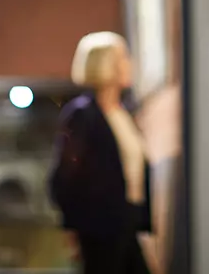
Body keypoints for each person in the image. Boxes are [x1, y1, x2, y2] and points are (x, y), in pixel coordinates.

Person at [48, 32, 151, 274]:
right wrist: (72, 226)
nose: (130, 64)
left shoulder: (124, 114)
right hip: (99, 227)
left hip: (127, 221)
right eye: (123, 58)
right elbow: (64, 177)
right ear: (107, 64)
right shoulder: (83, 115)